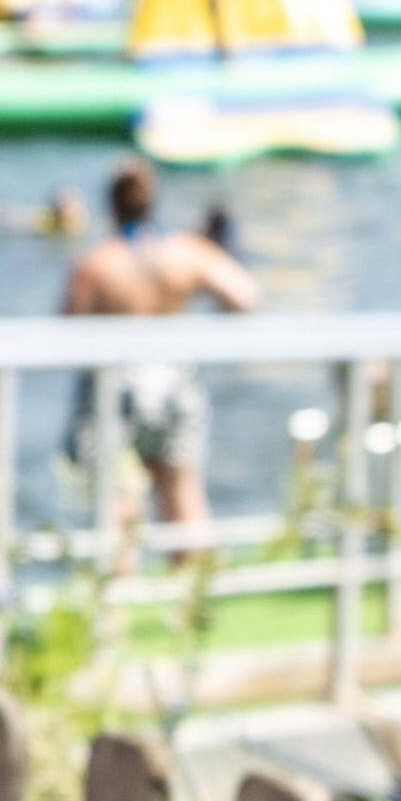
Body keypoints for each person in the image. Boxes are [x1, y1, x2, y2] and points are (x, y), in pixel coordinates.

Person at [61, 158, 257, 531]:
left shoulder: (98, 262)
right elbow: (244, 296)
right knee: (183, 491)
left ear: (112, 203)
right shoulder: (186, 251)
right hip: (175, 378)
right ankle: (194, 583)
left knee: (118, 496)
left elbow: (67, 328)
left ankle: (117, 583)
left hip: (116, 382)